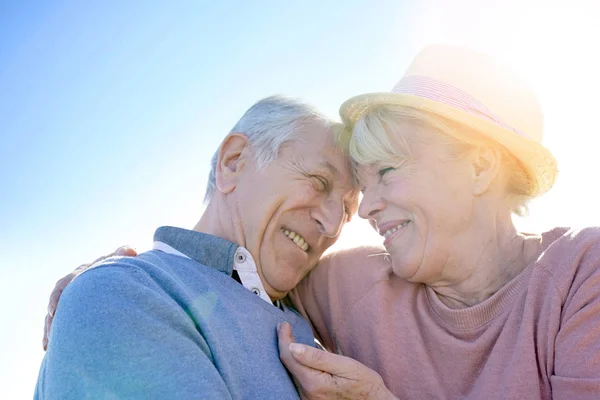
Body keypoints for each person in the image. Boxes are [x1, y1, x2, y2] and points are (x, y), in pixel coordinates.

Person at [44, 45, 600, 399]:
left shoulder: (580, 275)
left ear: (480, 167)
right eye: (321, 184)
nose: (343, 220)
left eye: (384, 174)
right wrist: (100, 286)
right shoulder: (345, 284)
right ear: (233, 161)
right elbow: (202, 275)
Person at [35, 96, 364, 399]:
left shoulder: (316, 320)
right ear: (233, 163)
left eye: (348, 212)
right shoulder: (121, 294)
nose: (333, 224)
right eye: (319, 182)